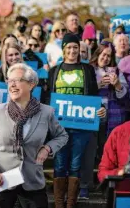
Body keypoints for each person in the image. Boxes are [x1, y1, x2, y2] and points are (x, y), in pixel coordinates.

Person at [0, 63, 68, 208]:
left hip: (32, 180)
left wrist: (47, 148)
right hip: (2, 180)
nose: (12, 85)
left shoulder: (46, 112)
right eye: (9, 80)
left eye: (18, 80)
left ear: (31, 84)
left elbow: (62, 136)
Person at [45, 33, 106, 208]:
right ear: (63, 50)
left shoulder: (87, 70)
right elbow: (48, 96)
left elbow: (94, 95)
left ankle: (71, 203)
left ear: (80, 50)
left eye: (75, 47)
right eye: (69, 47)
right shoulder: (54, 71)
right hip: (59, 126)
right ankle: (58, 204)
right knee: (59, 163)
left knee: (75, 164)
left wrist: (100, 109)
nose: (72, 51)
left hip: (81, 125)